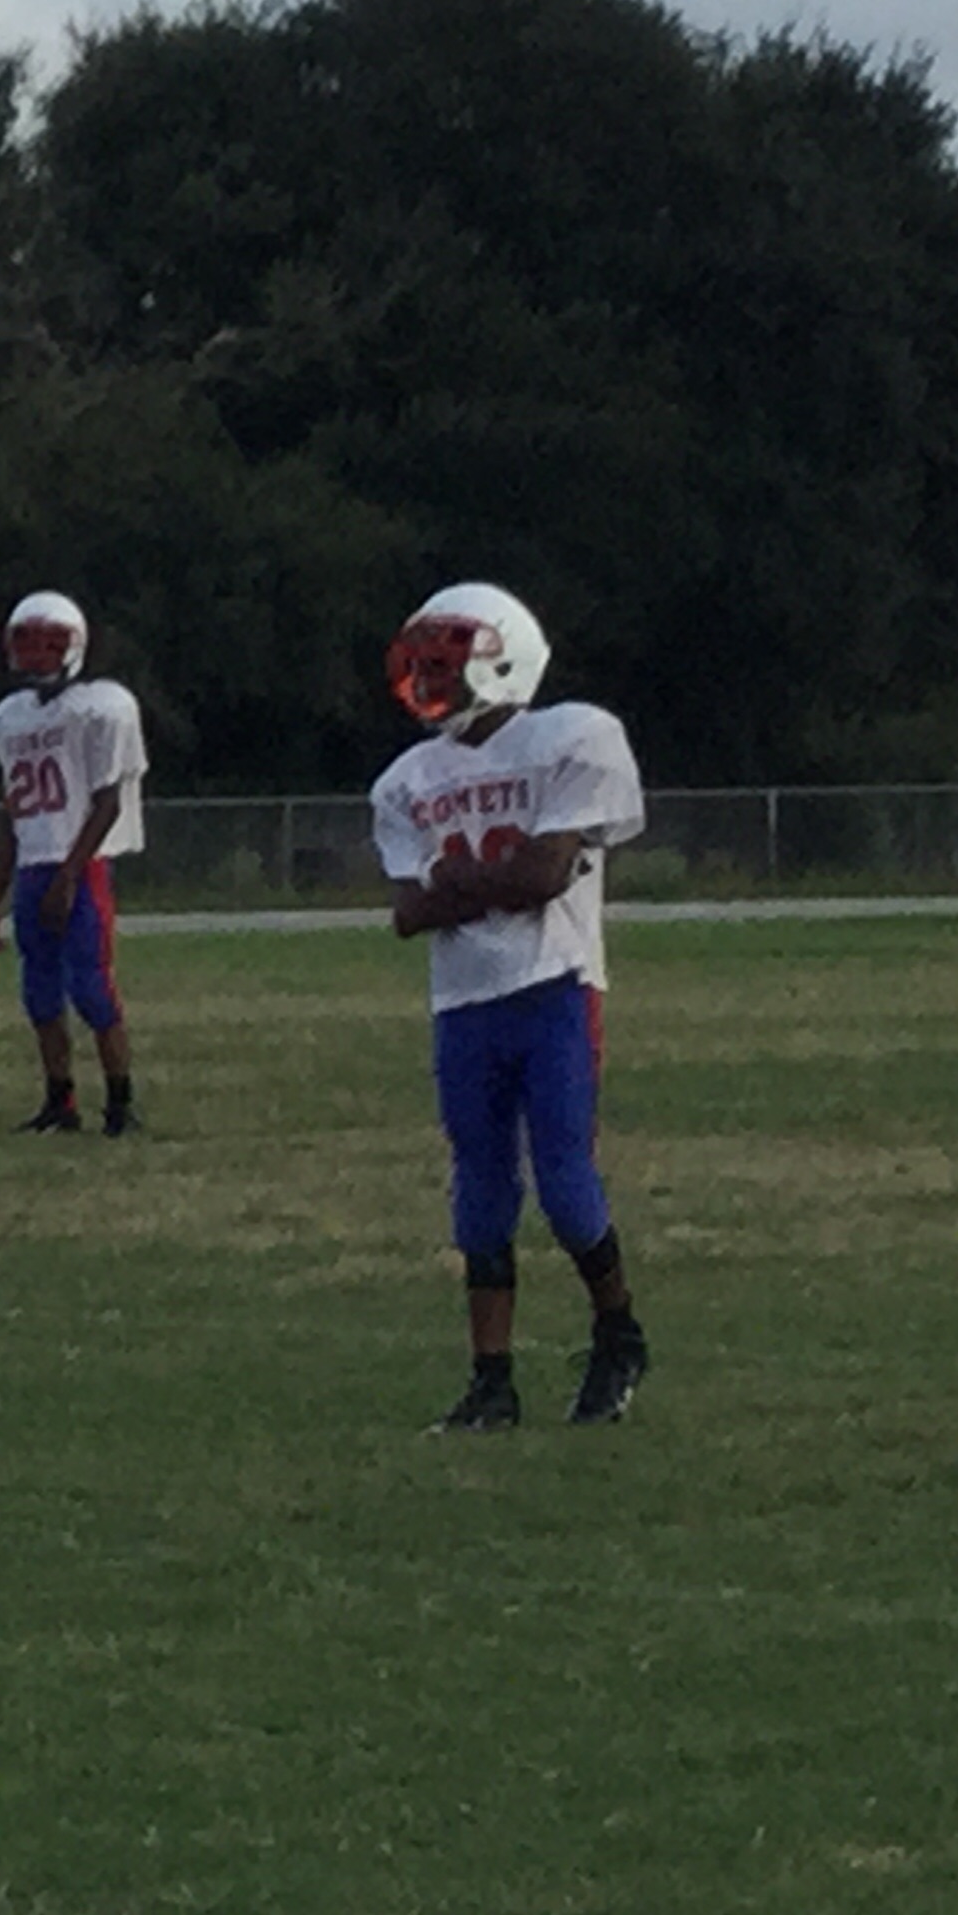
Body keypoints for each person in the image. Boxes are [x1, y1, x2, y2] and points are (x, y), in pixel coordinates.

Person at [369, 580, 651, 1430]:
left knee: (565, 1184)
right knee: (480, 1193)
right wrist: (493, 882)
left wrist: (461, 883)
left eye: (445, 662)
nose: (429, 678)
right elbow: (409, 913)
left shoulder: (573, 734)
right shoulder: (406, 780)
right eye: (423, 663)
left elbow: (544, 876)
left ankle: (618, 1332)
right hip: (464, 1002)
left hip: (554, 984)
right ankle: (491, 1382)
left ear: (502, 660)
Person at [0, 590, 147, 1137]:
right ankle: (59, 1102)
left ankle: (119, 1105)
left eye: (49, 644)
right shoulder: (9, 716)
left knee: (93, 991)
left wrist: (71, 873)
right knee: (40, 994)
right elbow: (12, 814)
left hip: (80, 867)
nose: (36, 655)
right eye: (26, 643)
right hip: (33, 865)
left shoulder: (102, 706)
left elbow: (107, 802)